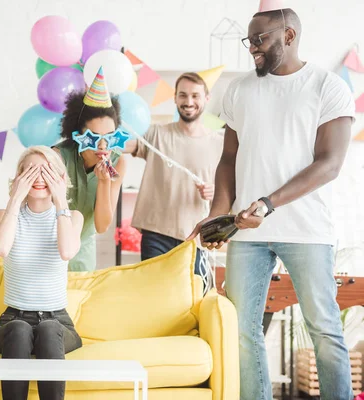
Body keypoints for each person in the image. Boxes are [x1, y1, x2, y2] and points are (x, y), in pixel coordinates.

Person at [186, 5, 355, 399]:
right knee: (242, 331)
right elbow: (228, 159)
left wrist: (267, 203)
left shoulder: (326, 87)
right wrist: (218, 215)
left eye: (259, 40)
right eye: (249, 41)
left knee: (325, 329)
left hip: (307, 231)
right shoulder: (240, 89)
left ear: (289, 36)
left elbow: (329, 164)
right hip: (247, 233)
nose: (252, 49)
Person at [0, 145, 84, 400]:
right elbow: (1, 247)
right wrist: (15, 199)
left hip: (59, 322)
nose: (39, 178)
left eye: (47, 171)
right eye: (30, 171)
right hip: (12, 320)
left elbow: (67, 251)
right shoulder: (4, 215)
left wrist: (61, 199)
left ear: (61, 178)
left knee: (49, 328)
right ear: (18, 178)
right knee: (20, 328)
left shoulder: (72, 216)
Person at [124, 72, 223, 276]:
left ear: (206, 98)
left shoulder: (219, 143)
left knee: (193, 300)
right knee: (154, 299)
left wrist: (216, 191)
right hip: (156, 235)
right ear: (175, 98)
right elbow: (119, 145)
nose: (189, 101)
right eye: (183, 95)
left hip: (197, 238)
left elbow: (231, 190)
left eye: (195, 95)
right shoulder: (156, 134)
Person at [53, 67, 128, 271]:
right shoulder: (58, 157)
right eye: (94, 137)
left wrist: (105, 182)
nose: (103, 146)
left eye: (109, 136)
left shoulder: (118, 162)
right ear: (78, 134)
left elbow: (102, 226)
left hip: (83, 253)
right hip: (49, 249)